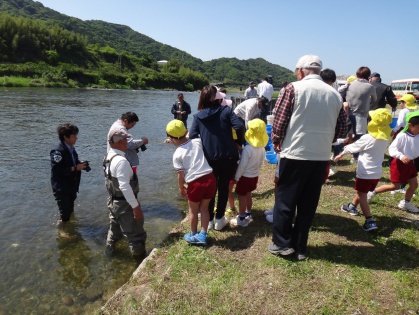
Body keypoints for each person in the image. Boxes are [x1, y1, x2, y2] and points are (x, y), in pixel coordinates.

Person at [268, 54, 347, 261]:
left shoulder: (292, 88)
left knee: (286, 201)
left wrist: (276, 139)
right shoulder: (335, 94)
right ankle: (300, 246)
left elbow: (280, 120)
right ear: (319, 71)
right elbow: (341, 128)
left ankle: (281, 244)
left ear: (301, 71)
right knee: (308, 204)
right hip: (320, 157)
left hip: (295, 153)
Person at [189, 85, 245, 231]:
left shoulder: (198, 116)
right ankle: (220, 218)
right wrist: (239, 142)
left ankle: (210, 219)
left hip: (209, 158)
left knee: (211, 189)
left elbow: (193, 136)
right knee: (224, 187)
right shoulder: (226, 111)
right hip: (228, 157)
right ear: (216, 97)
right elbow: (239, 126)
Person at [335, 109, 392, 231]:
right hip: (376, 173)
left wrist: (341, 153)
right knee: (362, 192)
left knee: (362, 195)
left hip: (365, 172)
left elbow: (353, 147)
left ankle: (369, 220)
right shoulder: (385, 138)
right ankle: (352, 206)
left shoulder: (368, 138)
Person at [166, 120, 216, 245]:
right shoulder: (197, 141)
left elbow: (180, 175)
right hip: (210, 178)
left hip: (195, 183)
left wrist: (181, 187)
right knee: (204, 208)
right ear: (186, 132)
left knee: (193, 211)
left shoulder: (177, 154)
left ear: (170, 139)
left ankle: (193, 234)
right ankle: (203, 234)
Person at [103, 129, 147, 258]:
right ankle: (139, 260)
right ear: (121, 142)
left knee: (114, 231)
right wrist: (136, 207)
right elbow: (125, 187)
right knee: (136, 235)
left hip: (112, 202)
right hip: (124, 204)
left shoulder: (107, 157)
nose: (128, 142)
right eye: (126, 140)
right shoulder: (121, 162)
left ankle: (109, 254)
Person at [367, 112, 419, 213]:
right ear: (410, 125)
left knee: (414, 185)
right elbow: (392, 149)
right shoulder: (402, 136)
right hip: (399, 164)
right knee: (395, 186)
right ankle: (372, 192)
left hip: (411, 164)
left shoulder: (417, 136)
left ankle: (406, 203)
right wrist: (401, 156)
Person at [230, 119, 268, 227]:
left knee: (241, 196)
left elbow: (242, 166)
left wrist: (237, 177)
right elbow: (261, 162)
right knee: (248, 194)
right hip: (254, 176)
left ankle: (241, 218)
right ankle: (248, 213)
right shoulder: (262, 148)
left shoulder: (247, 149)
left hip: (245, 177)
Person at [50, 123, 88, 223]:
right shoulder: (57, 151)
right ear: (65, 137)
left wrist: (80, 164)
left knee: (70, 211)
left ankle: (69, 228)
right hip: (61, 187)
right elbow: (57, 170)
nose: (76, 138)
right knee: (65, 214)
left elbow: (71, 163)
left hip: (71, 185)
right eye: (74, 136)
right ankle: (63, 231)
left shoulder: (71, 148)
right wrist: (76, 168)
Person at [346, 67, 377, 163]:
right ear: (368, 75)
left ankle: (346, 152)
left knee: (349, 134)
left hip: (349, 112)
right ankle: (356, 156)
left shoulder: (351, 84)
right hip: (361, 114)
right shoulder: (369, 86)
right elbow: (374, 99)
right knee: (360, 136)